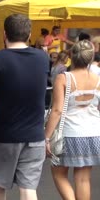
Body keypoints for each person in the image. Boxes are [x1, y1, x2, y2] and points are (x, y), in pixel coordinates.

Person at [0, 14, 49, 200]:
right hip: (35, 135)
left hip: (3, 136)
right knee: (29, 189)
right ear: (29, 34)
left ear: (4, 33)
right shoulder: (43, 58)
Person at [45, 40, 100, 200]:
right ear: (90, 59)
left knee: (59, 174)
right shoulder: (98, 80)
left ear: (72, 57)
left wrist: (46, 137)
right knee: (83, 179)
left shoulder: (64, 78)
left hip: (69, 133)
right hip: (93, 133)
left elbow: (57, 110)